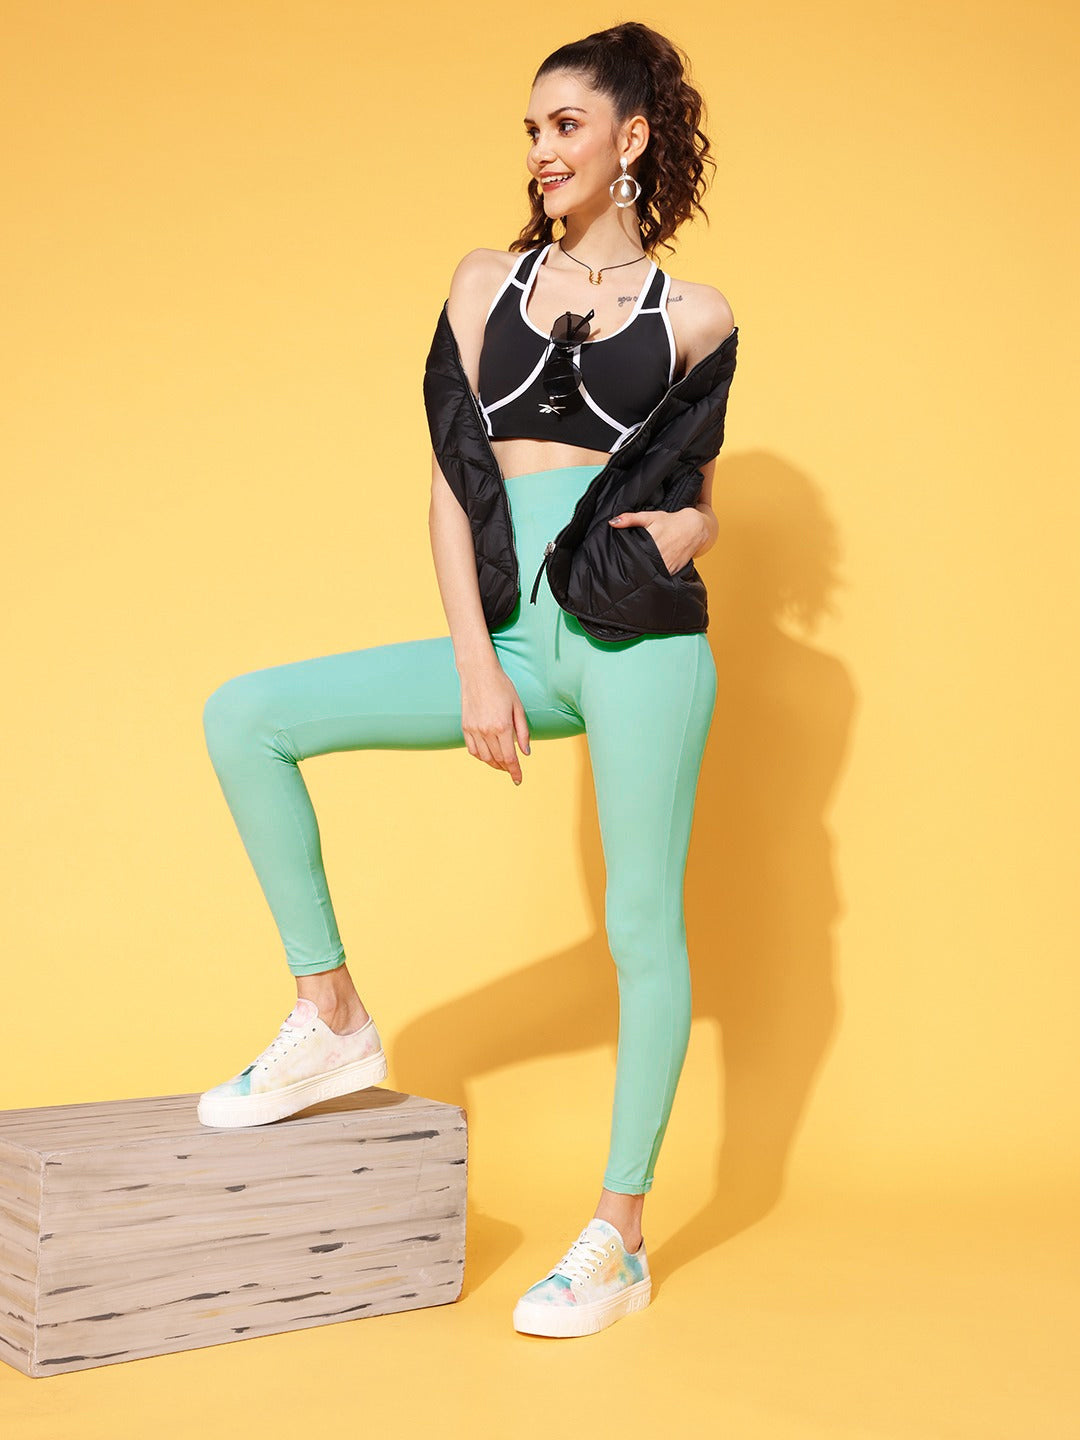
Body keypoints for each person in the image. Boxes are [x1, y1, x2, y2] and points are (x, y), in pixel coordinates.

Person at [197, 19, 738, 1340]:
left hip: (641, 641)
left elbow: (700, 500)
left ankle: (617, 1236)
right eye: (532, 130)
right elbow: (453, 484)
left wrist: (683, 532)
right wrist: (475, 669)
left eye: (566, 126)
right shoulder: (484, 284)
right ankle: (330, 1011)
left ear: (631, 138)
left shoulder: (695, 317)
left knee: (642, 929)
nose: (543, 150)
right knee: (247, 715)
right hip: (511, 638)